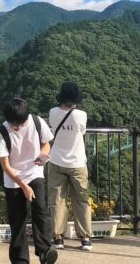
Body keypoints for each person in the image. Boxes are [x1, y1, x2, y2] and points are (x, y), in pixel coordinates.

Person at [0, 98, 59, 264]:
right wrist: (23, 185)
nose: (17, 128)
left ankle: (45, 250)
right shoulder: (1, 132)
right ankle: (20, 260)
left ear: (26, 118)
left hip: (34, 171)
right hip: (13, 177)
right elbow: (5, 166)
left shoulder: (37, 122)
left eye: (20, 124)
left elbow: (46, 144)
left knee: (41, 210)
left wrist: (43, 155)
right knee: (17, 220)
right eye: (13, 125)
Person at [47, 81, 93, 251]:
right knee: (82, 200)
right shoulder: (81, 115)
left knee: (57, 200)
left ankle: (58, 237)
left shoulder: (53, 112)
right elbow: (82, 132)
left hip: (56, 161)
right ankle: (85, 238)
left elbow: (53, 131)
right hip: (77, 162)